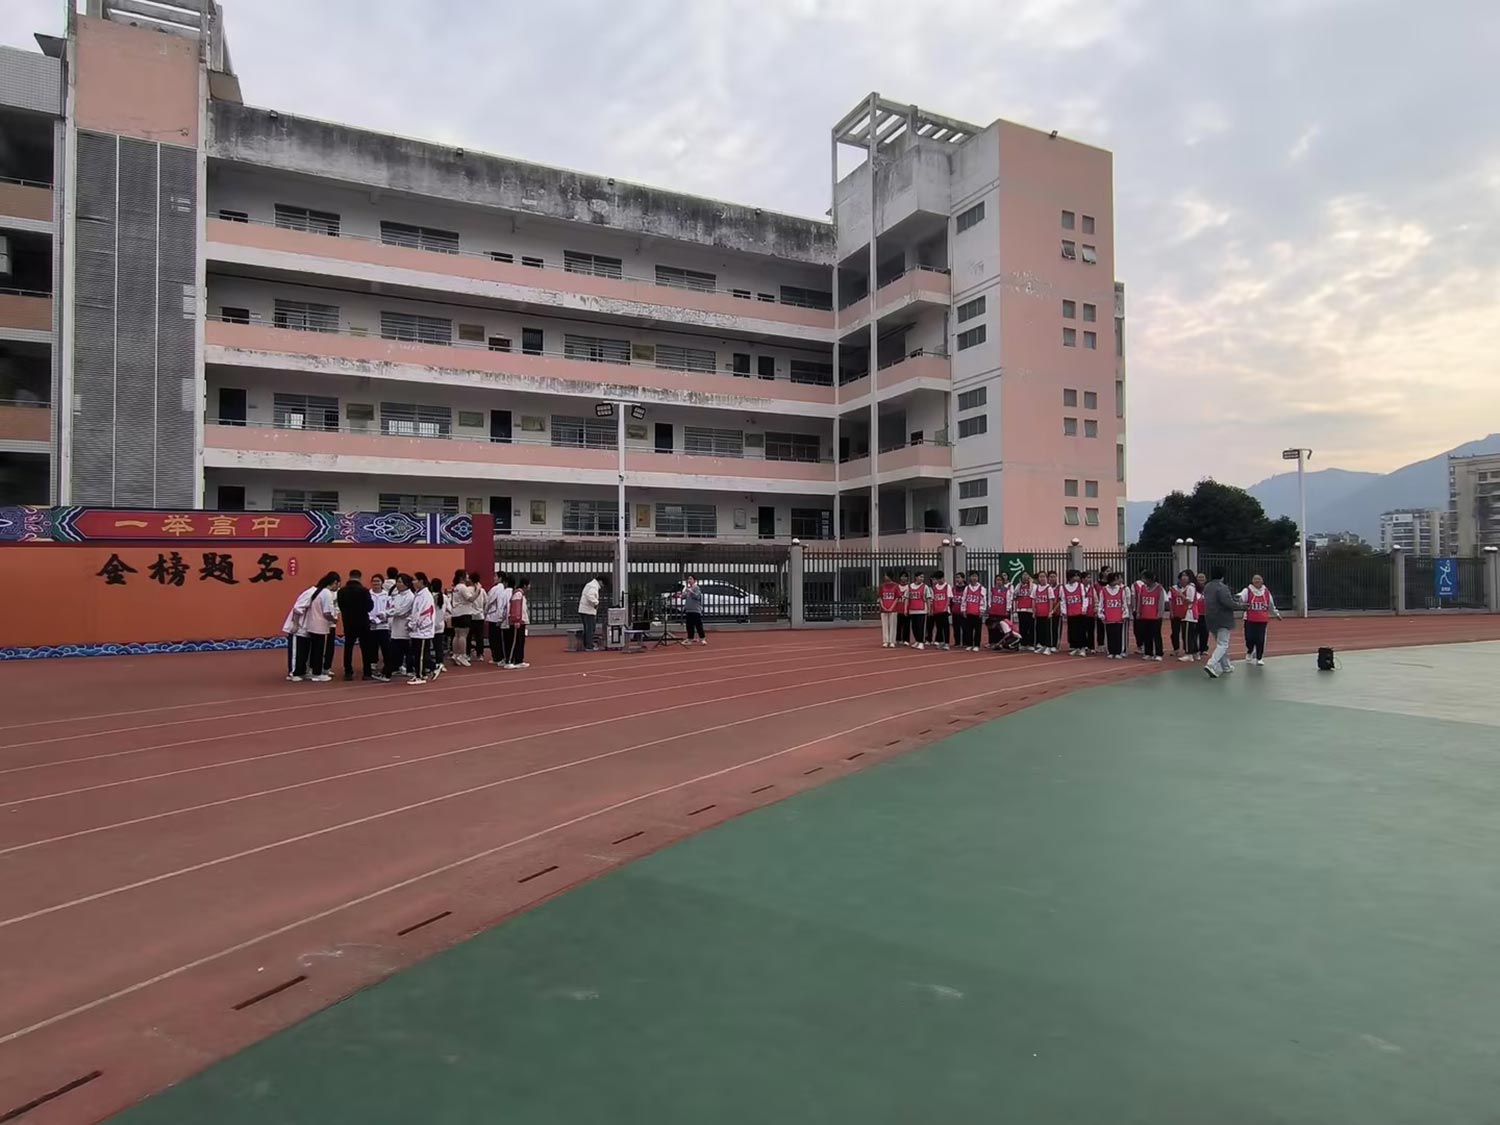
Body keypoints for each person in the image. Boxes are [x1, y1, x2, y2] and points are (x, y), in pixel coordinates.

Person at [1201, 566, 1241, 679]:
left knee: (1220, 643)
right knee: (1223, 644)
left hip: (1210, 618)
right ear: (1223, 576)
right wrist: (1240, 605)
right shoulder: (1222, 587)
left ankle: (1226, 666)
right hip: (1223, 618)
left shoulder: (1207, 587)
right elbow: (1228, 602)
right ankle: (1211, 664)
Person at [300, 571, 340, 682]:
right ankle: (317, 673)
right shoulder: (326, 593)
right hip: (321, 626)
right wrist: (334, 619)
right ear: (334, 582)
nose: (337, 587)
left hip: (312, 624)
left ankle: (311, 670)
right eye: (337, 584)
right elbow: (327, 613)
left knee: (314, 649)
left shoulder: (318, 590)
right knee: (319, 650)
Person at [336, 569, 374, 681]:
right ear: (359, 577)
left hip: (348, 622)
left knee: (348, 647)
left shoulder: (341, 591)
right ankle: (367, 672)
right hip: (363, 622)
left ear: (349, 576)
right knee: (365, 648)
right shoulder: (364, 591)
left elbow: (340, 606)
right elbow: (369, 607)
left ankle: (348, 672)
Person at [1238, 574, 1282, 665]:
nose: (1257, 581)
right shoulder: (1247, 590)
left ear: (1262, 581)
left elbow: (1271, 605)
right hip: (1249, 619)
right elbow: (1241, 598)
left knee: (1260, 639)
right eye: (1255, 579)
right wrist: (1238, 598)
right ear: (1252, 581)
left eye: (1259, 579)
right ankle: (1250, 651)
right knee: (1249, 638)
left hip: (1262, 619)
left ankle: (1259, 657)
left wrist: (1276, 614)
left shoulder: (1266, 592)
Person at [408, 572, 440, 683]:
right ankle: (430, 669)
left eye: (415, 580)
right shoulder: (418, 595)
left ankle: (420, 675)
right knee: (418, 654)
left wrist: (414, 624)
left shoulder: (426, 596)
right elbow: (415, 612)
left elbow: (425, 613)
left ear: (421, 581)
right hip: (416, 630)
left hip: (423, 630)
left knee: (420, 654)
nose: (413, 582)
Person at [1133, 571, 1165, 661]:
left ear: (1150, 579)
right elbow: (1139, 601)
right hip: (1145, 615)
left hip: (1155, 616)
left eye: (1144, 578)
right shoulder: (1142, 588)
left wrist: (1159, 614)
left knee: (1156, 635)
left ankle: (1159, 653)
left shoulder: (1159, 588)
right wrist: (1138, 612)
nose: (1143, 580)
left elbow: (1161, 602)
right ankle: (1148, 653)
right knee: (1146, 635)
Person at [386, 574, 414, 680]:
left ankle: (408, 669)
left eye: (400, 582)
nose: (397, 584)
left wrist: (387, 613)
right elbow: (392, 608)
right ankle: (397, 667)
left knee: (404, 650)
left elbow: (401, 611)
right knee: (400, 650)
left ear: (406, 584)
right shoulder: (397, 596)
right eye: (397, 582)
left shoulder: (410, 596)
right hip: (395, 627)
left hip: (405, 628)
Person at [1061, 569, 1093, 656]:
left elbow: (1085, 598)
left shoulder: (1080, 586)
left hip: (1080, 612)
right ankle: (1075, 647)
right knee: (1072, 631)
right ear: (1070, 577)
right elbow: (1063, 600)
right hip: (1070, 613)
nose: (1077, 578)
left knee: (1081, 631)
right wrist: (1064, 611)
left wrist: (1084, 608)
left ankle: (1082, 647)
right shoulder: (1064, 588)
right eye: (1075, 576)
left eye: (1077, 576)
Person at [1098, 571, 1130, 659]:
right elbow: (1101, 603)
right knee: (1110, 634)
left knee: (1118, 634)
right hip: (1108, 616)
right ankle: (1111, 651)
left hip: (1118, 616)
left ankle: (1118, 651)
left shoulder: (1121, 590)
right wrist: (1101, 615)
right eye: (1115, 579)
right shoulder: (1104, 590)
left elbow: (1124, 603)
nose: (1117, 581)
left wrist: (1125, 614)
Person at [448, 568, 475, 668]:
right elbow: (470, 599)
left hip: (456, 613)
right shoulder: (463, 587)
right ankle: (462, 655)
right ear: (461, 577)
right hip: (464, 612)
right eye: (466, 575)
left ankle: (456, 654)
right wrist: (478, 591)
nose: (467, 577)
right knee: (463, 635)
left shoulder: (455, 587)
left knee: (457, 635)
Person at [985, 572, 1018, 651]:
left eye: (1000, 580)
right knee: (992, 628)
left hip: (1002, 612)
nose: (999, 581)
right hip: (993, 611)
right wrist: (989, 607)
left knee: (1002, 628)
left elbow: (1008, 600)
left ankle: (1001, 643)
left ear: (1003, 581)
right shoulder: (992, 590)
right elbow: (989, 599)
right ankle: (992, 642)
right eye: (997, 580)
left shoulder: (1006, 590)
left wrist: (1007, 609)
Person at [485, 571, 512, 666]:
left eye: (495, 576)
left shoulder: (496, 588)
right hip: (499, 616)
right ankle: (500, 656)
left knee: (494, 638)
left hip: (493, 615)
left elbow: (489, 601)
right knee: (499, 638)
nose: (494, 578)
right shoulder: (504, 589)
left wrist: (485, 611)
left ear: (500, 578)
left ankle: (496, 657)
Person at [368, 577, 392, 681]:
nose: (376, 583)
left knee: (385, 647)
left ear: (382, 583)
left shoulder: (387, 595)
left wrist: (383, 617)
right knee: (372, 646)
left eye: (378, 581)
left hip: (383, 625)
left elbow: (390, 608)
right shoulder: (368, 594)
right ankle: (373, 665)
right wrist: (371, 619)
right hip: (371, 626)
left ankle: (387, 666)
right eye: (374, 581)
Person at [505, 576, 531, 668]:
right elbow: (516, 607)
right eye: (529, 585)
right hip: (517, 621)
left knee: (520, 642)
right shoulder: (518, 594)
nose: (530, 586)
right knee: (514, 641)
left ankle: (519, 660)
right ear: (525, 585)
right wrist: (516, 620)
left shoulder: (521, 595)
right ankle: (509, 661)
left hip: (522, 621)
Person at [1169, 571, 1193, 657]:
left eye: (1186, 576)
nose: (1184, 578)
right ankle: (1176, 649)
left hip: (1186, 613)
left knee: (1185, 633)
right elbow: (1170, 600)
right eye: (1182, 576)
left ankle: (1186, 649)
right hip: (1176, 613)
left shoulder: (1190, 588)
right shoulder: (1173, 588)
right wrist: (1171, 612)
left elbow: (1191, 601)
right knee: (1175, 632)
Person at [1032, 572, 1056, 654]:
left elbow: (1051, 601)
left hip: (1046, 614)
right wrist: (1034, 611)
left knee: (1047, 631)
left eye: (1043, 576)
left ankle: (1048, 646)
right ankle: (1042, 645)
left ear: (1046, 578)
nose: (1042, 578)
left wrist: (1050, 612)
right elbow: (1033, 600)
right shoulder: (1036, 588)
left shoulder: (1049, 588)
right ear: (1038, 578)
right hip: (1039, 613)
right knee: (1040, 630)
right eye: (1040, 577)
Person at [905, 570, 929, 650]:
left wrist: (929, 609)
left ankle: (921, 642)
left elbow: (928, 598)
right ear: (916, 577)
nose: (922, 578)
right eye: (920, 577)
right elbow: (907, 598)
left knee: (920, 627)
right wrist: (905, 609)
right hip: (912, 610)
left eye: (923, 577)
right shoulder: (909, 587)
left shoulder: (925, 587)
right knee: (914, 627)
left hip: (922, 610)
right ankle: (917, 640)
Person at [578, 574, 603, 651]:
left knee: (587, 628)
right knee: (591, 629)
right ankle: (589, 645)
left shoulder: (589, 584)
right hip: (588, 610)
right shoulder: (593, 586)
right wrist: (596, 603)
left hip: (583, 609)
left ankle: (586, 644)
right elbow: (590, 596)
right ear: (600, 581)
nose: (602, 586)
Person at [877, 571, 901, 648]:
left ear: (890, 576)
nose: (885, 577)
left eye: (886, 576)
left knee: (893, 625)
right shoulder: (882, 586)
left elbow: (897, 597)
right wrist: (883, 606)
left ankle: (892, 641)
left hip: (893, 609)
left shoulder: (896, 586)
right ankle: (885, 641)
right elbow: (880, 597)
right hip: (884, 609)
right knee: (885, 625)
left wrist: (892, 607)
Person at [929, 570, 952, 650]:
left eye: (940, 579)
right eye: (937, 579)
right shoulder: (935, 588)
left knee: (946, 627)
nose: (939, 580)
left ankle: (947, 643)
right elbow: (932, 599)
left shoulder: (947, 586)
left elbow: (948, 598)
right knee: (939, 627)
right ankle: (941, 641)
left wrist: (946, 607)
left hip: (944, 611)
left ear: (943, 578)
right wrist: (932, 610)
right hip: (937, 610)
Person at [1013, 572, 1036, 650]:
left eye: (1027, 575)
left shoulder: (1033, 586)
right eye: (1024, 575)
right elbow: (1015, 596)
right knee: (1022, 627)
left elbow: (1033, 596)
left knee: (1031, 627)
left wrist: (1031, 583)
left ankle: (1031, 644)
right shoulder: (1018, 586)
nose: (1025, 577)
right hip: (1021, 609)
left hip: (1030, 609)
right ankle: (1023, 643)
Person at [682, 574, 707, 645]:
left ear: (694, 580)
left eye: (691, 579)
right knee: (689, 625)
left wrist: (691, 591)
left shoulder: (696, 587)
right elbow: (682, 597)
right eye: (688, 579)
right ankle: (690, 638)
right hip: (688, 609)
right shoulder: (687, 588)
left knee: (698, 625)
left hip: (695, 609)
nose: (689, 580)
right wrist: (685, 592)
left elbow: (697, 596)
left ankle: (702, 639)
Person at [1194, 572, 1210, 658]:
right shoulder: (1193, 589)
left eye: (1203, 577)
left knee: (1204, 632)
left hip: (1205, 614)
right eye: (1199, 577)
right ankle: (1195, 649)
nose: (1201, 579)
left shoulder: (1208, 589)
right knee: (1195, 632)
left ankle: (1203, 649)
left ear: (1205, 579)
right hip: (1196, 614)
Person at [894, 571, 912, 647]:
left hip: (906, 609)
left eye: (905, 576)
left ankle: (906, 640)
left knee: (906, 625)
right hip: (897, 609)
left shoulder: (910, 587)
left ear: (907, 578)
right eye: (902, 576)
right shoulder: (896, 587)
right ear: (900, 578)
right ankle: (897, 639)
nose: (903, 578)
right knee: (898, 625)